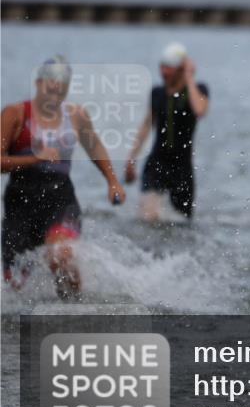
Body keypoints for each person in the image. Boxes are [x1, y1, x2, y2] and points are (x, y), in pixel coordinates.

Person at [1, 55, 126, 298]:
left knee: (61, 256)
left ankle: (73, 310)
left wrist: (112, 181)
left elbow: (95, 147)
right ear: (38, 83)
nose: (56, 88)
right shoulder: (15, 114)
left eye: (62, 84)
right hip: (21, 201)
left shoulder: (76, 115)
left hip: (60, 197)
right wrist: (34, 158)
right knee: (15, 284)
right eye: (51, 82)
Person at [124, 42, 209, 221]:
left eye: (169, 68)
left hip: (182, 167)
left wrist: (189, 77)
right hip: (157, 163)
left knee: (182, 221)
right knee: (149, 216)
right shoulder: (157, 92)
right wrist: (131, 157)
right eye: (162, 67)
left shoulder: (198, 90)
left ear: (180, 69)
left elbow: (200, 110)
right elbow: (147, 125)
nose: (163, 72)